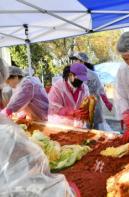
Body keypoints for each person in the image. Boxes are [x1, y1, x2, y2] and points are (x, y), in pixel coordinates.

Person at [0, 58, 75, 196]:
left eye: (8, 81)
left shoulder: (27, 84)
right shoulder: (24, 84)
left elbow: (14, 105)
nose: (8, 85)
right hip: (38, 120)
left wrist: (6, 115)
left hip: (43, 119)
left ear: (16, 76)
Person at [69, 52, 113, 130]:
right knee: (83, 129)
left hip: (95, 106)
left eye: (76, 60)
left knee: (96, 130)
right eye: (74, 60)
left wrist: (107, 103)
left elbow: (101, 90)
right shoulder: (73, 74)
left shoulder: (93, 75)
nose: (74, 62)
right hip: (81, 107)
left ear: (83, 62)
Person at [48, 63, 90, 128]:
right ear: (70, 75)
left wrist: (86, 111)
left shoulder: (85, 88)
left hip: (78, 125)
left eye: (83, 79)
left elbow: (86, 106)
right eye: (79, 78)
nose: (81, 81)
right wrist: (72, 112)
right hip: (60, 124)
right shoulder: (58, 87)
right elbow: (53, 108)